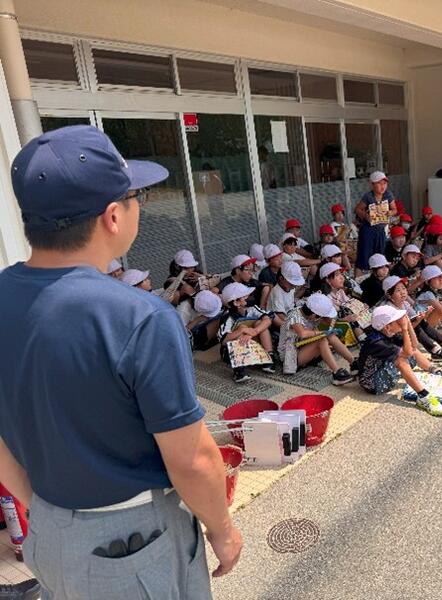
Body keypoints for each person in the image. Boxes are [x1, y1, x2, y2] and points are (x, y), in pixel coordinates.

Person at [0, 125, 241, 599]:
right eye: (136, 197)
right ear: (113, 215)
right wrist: (223, 530)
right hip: (133, 544)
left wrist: (49, 510)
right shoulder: (138, 316)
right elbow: (192, 460)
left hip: (48, 532)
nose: (138, 208)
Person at [354, 305, 442, 417]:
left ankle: (433, 369)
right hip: (373, 383)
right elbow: (407, 353)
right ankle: (423, 397)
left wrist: (408, 325)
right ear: (387, 327)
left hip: (382, 371)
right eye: (397, 320)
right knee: (401, 360)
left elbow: (414, 346)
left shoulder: (388, 333)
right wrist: (404, 328)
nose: (400, 321)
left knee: (409, 349)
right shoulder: (376, 342)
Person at [277, 292, 356, 383]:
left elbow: (331, 321)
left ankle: (353, 362)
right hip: (290, 355)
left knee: (330, 336)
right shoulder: (294, 316)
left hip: (302, 346)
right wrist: (323, 332)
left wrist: (342, 320)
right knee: (321, 340)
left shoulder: (312, 315)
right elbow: (302, 334)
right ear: (314, 315)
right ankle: (336, 372)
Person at [382, 275, 442, 363]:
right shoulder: (389, 308)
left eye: (403, 289)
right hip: (393, 339)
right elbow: (400, 330)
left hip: (404, 331)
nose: (403, 292)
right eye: (398, 290)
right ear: (389, 295)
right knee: (417, 326)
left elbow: (414, 317)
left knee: (421, 322)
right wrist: (418, 320)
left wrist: (424, 315)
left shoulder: (404, 303)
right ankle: (435, 350)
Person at [218, 282, 277, 382]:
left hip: (253, 344)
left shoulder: (252, 309)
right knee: (240, 328)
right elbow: (223, 339)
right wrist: (242, 330)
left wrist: (254, 331)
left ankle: (268, 358)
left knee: (260, 324)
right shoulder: (228, 317)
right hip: (233, 352)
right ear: (236, 302)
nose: (249, 297)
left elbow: (268, 319)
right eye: (245, 296)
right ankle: (239, 370)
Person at [354, 171, 397, 275]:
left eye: (384, 183)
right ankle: (359, 279)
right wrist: (366, 216)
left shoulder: (388, 195)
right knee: (364, 257)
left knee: (379, 257)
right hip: (368, 230)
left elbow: (395, 209)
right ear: (372, 184)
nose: (383, 186)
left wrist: (389, 213)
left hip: (380, 230)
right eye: (379, 183)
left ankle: (378, 277)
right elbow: (358, 209)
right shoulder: (368, 196)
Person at [266, 260, 306, 327]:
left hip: (290, 314)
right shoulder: (277, 292)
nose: (294, 286)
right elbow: (280, 315)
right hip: (278, 322)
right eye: (291, 284)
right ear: (281, 278)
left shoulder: (290, 288)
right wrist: (295, 323)